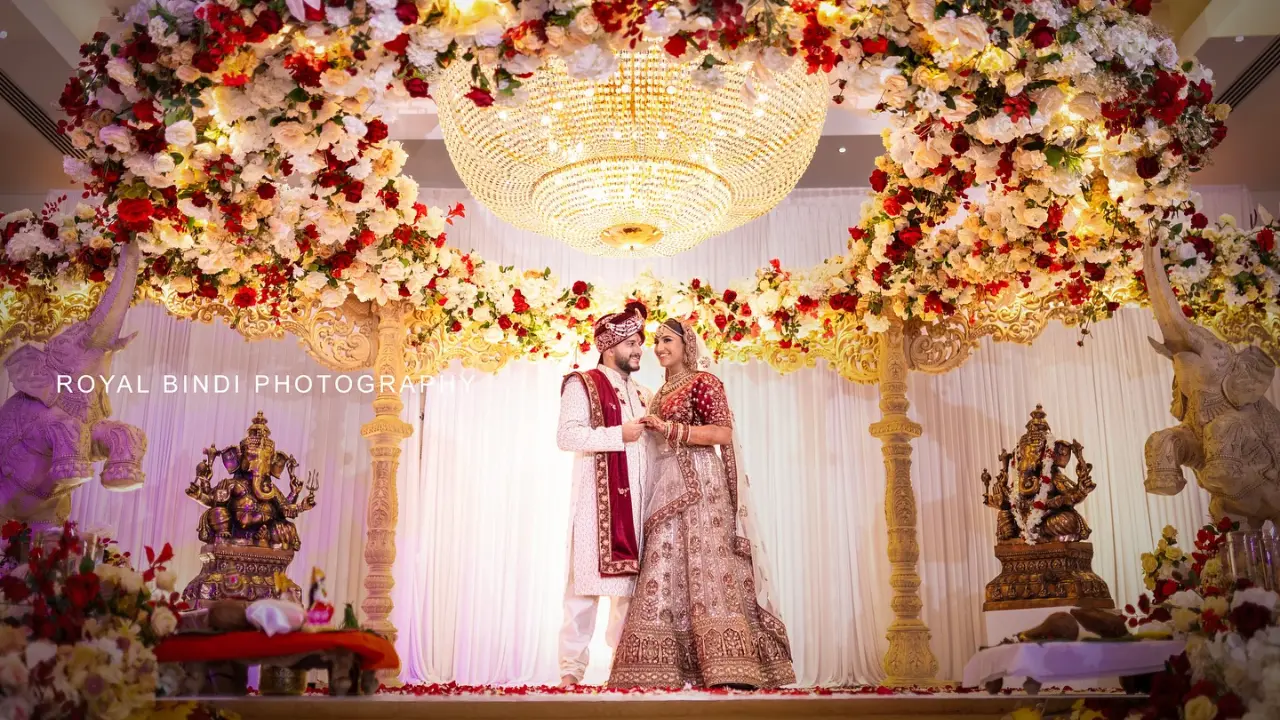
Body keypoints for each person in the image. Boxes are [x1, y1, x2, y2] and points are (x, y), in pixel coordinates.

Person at [609, 317, 795, 689]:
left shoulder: (704, 381)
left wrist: (673, 429)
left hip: (700, 485)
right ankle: (659, 667)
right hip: (665, 486)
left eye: (667, 340)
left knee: (708, 567)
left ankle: (728, 665)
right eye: (656, 341)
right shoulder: (659, 392)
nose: (659, 347)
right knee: (665, 567)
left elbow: (722, 432)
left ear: (686, 345)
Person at [555, 302, 652, 686]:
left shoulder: (643, 393)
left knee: (628, 597)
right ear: (609, 347)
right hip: (597, 509)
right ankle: (569, 675)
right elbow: (567, 436)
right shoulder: (582, 382)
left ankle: (622, 672)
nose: (639, 350)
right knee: (583, 593)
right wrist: (617, 435)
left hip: (637, 507)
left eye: (640, 343)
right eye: (631, 343)